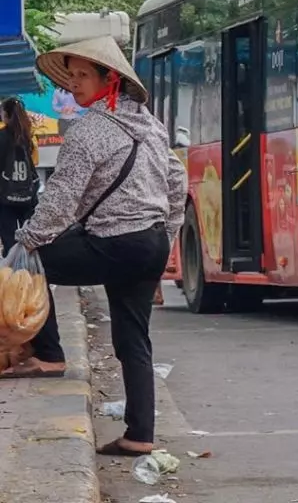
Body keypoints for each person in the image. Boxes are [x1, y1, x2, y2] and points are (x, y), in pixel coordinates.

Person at [1, 37, 187, 460]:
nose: (75, 85)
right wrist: (169, 241)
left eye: (84, 75)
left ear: (112, 80)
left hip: (115, 243)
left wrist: (25, 242)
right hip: (151, 243)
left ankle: (48, 354)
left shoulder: (88, 130)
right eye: (71, 76)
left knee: (30, 268)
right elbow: (177, 184)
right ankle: (140, 434)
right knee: (132, 338)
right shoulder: (151, 126)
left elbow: (61, 200)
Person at [0, 97, 40, 256]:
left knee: (9, 240)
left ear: (6, 115)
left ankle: (15, 276)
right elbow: (34, 161)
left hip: (4, 198)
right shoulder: (27, 135)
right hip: (27, 196)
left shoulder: (1, 136)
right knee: (29, 240)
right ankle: (31, 275)